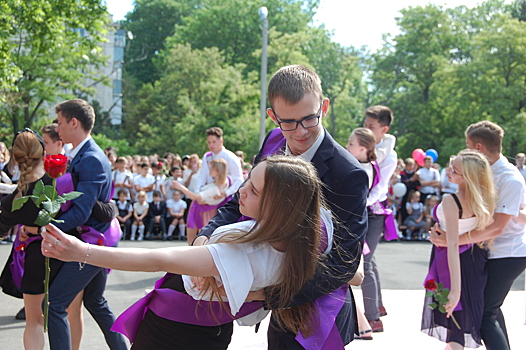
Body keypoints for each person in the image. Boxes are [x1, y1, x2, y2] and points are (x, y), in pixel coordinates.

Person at [42, 156, 328, 350]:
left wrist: (81, 251)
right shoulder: (301, 242)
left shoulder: (244, 252)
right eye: (246, 182)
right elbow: (349, 273)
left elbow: (156, 259)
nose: (240, 192)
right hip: (209, 331)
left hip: (174, 331)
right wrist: (258, 295)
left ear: (280, 207)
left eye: (253, 190)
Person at [195, 65, 369, 348]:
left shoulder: (347, 173)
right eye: (288, 122)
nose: (300, 132)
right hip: (280, 305)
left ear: (324, 107)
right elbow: (241, 197)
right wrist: (206, 236)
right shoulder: (274, 140)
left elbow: (344, 262)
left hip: (319, 308)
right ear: (272, 116)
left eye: (309, 119)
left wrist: (266, 294)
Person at [430, 120, 526, 350]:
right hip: (485, 250)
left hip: (507, 252)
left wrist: (450, 240)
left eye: (467, 144)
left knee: (484, 314)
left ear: (479, 147)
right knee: (488, 311)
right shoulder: (481, 173)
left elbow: (496, 227)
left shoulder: (509, 178)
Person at [49, 99, 126, 350]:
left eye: (60, 123)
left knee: (56, 304)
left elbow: (81, 213)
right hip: (95, 238)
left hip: (92, 241)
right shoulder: (82, 153)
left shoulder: (90, 157)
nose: (57, 128)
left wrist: (47, 226)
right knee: (95, 301)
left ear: (74, 122)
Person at [422, 150, 496, 349]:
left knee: (455, 325)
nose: (449, 171)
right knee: (459, 325)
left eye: (455, 170)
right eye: (451, 166)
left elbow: (453, 244)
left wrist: (455, 290)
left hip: (451, 259)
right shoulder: (485, 197)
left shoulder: (451, 200)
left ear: (468, 177)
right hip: (476, 258)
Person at [0, 129, 61, 350]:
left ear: (14, 158)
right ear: (44, 152)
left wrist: (29, 228)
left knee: (34, 321)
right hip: (66, 256)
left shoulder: (11, 201)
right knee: (66, 316)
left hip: (35, 260)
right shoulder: (58, 187)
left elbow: (1, 230)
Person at [362, 106, 398, 332]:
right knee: (369, 259)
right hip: (363, 209)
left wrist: (358, 202)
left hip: (373, 212)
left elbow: (379, 189)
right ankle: (377, 305)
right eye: (365, 124)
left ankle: (373, 318)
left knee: (364, 261)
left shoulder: (389, 155)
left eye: (371, 127)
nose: (365, 128)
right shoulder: (366, 147)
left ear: (384, 129)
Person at [175, 159, 230, 244]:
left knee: (197, 239)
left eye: (212, 168)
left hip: (203, 211)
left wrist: (180, 187)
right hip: (202, 208)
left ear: (218, 171)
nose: (209, 170)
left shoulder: (215, 189)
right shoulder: (221, 183)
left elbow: (195, 197)